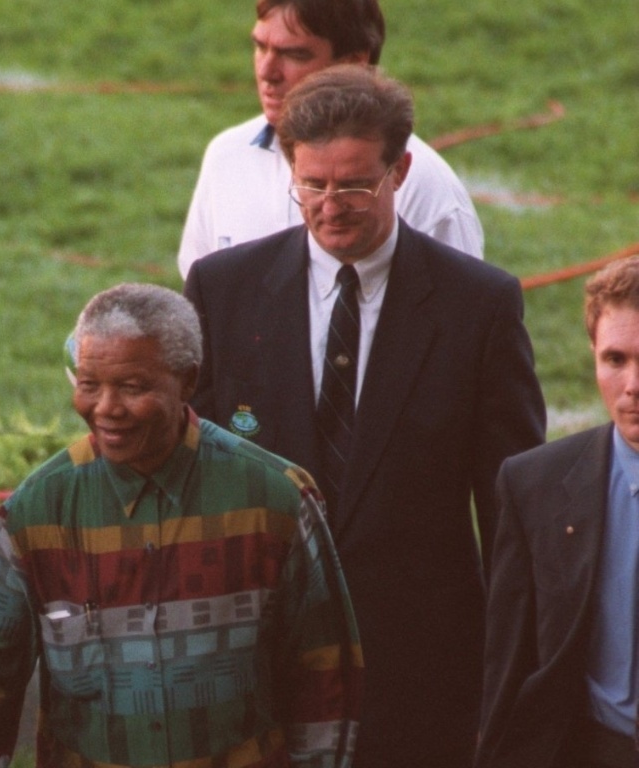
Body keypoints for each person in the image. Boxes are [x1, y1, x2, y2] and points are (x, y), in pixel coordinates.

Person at [184, 66, 546, 768]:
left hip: (421, 667)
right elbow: (194, 471)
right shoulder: (223, 292)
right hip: (256, 654)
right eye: (312, 184)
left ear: (400, 170)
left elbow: (511, 513)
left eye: (354, 184)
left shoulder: (479, 305)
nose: (330, 205)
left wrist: (505, 683)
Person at [0, 283, 362, 767]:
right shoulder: (37, 512)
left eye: (132, 388)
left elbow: (326, 676)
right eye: (88, 385)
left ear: (187, 382)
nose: (106, 408)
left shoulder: (276, 501)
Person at [177, 0, 483, 280]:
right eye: (260, 47)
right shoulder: (227, 158)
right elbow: (203, 307)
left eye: (294, 54)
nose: (267, 71)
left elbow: (456, 321)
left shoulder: (427, 187)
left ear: (352, 63)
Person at [476, 255, 639, 768]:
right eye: (616, 360)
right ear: (592, 355)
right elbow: (507, 668)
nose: (633, 385)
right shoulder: (535, 487)